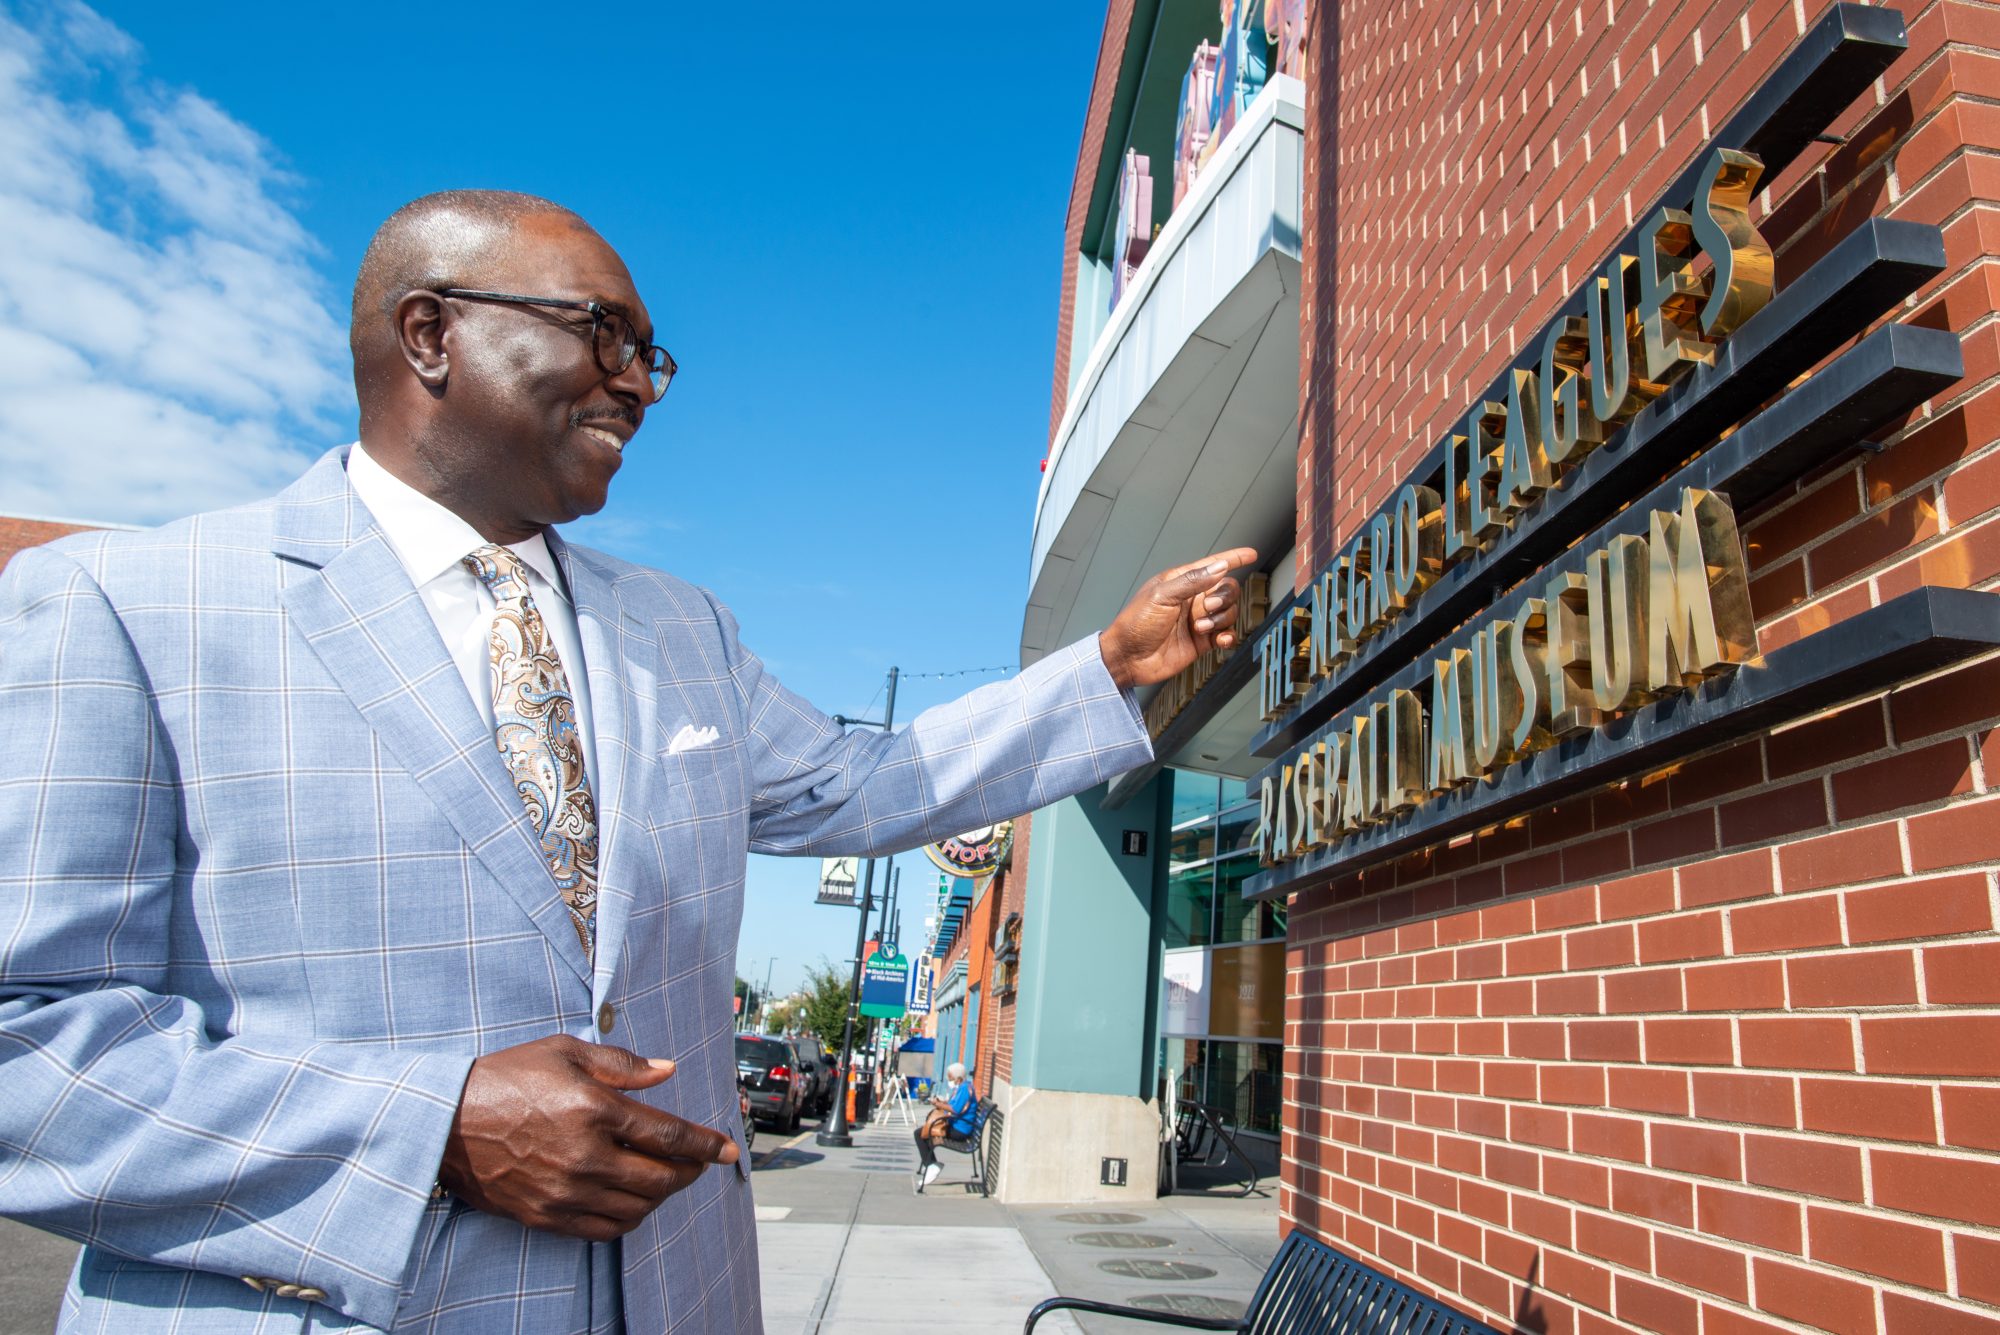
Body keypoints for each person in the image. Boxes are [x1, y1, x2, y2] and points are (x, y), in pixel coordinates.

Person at [0, 188, 1256, 1335]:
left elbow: (867, 786)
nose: (637, 387)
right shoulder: (128, 608)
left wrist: (1108, 667)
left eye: (648, 356)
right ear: (428, 332)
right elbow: (30, 1053)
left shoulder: (677, 629)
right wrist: (426, 1129)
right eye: (601, 334)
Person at [913, 1062, 978, 1191]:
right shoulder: (962, 1087)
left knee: (920, 1134)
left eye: (950, 1078)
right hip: (957, 1125)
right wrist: (941, 1103)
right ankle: (930, 1164)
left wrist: (939, 1105)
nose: (949, 1081)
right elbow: (953, 1104)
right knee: (924, 1133)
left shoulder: (964, 1089)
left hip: (960, 1130)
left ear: (958, 1078)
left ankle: (932, 1165)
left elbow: (956, 1109)